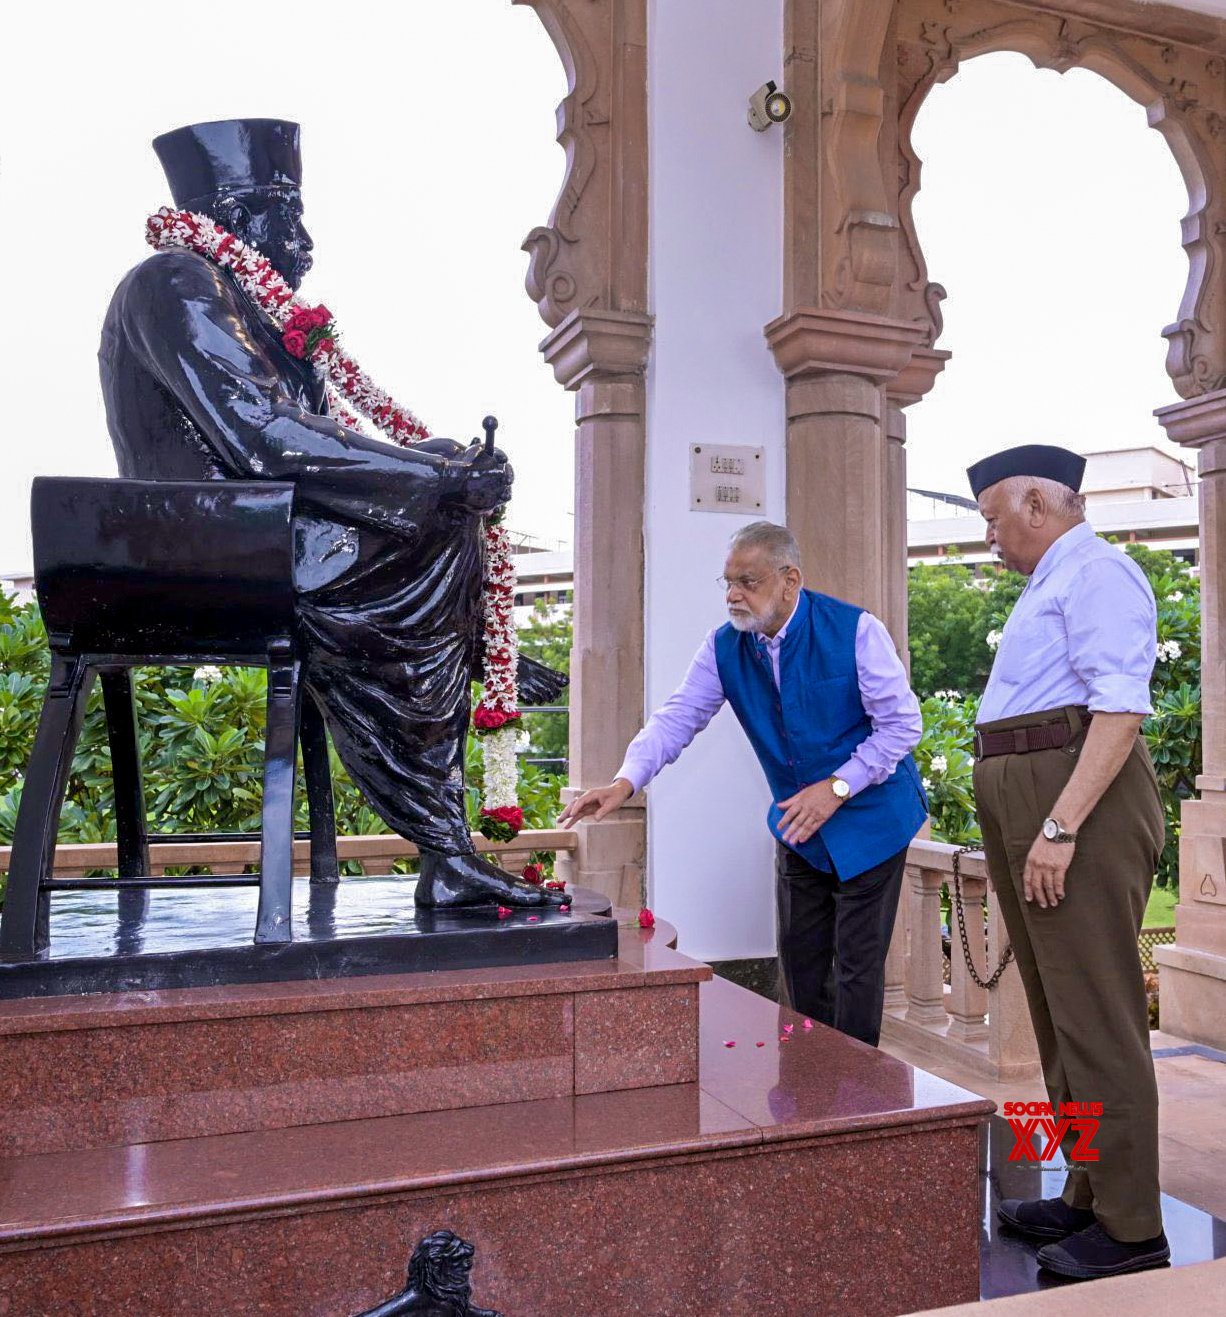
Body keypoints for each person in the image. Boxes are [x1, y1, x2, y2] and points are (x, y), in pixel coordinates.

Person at [99, 118, 561, 910]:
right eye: (287, 212)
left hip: (268, 529)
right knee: (436, 500)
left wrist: (443, 466)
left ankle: (465, 652)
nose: (304, 238)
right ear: (235, 216)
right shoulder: (175, 282)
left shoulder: (256, 306)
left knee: (442, 480)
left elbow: (318, 440)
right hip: (206, 544)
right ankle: (455, 734)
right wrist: (440, 478)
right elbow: (266, 440)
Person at [560, 520, 927, 1046]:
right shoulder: (724, 647)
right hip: (800, 829)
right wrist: (625, 781)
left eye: (747, 581)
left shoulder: (857, 630)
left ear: (789, 580)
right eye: (728, 581)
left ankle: (855, 1101)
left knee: (856, 971)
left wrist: (838, 787)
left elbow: (902, 726)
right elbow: (678, 715)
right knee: (801, 968)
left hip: (875, 821)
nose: (733, 594)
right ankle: (806, 1084)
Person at [967, 444, 1168, 1278]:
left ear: (1039, 505)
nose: (989, 538)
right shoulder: (1051, 580)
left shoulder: (1100, 574)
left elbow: (1118, 709)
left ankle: (1131, 1225)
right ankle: (1087, 1188)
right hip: (1034, 788)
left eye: (992, 520)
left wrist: (1058, 825)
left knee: (1099, 1012)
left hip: (1073, 798)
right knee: (1059, 1015)